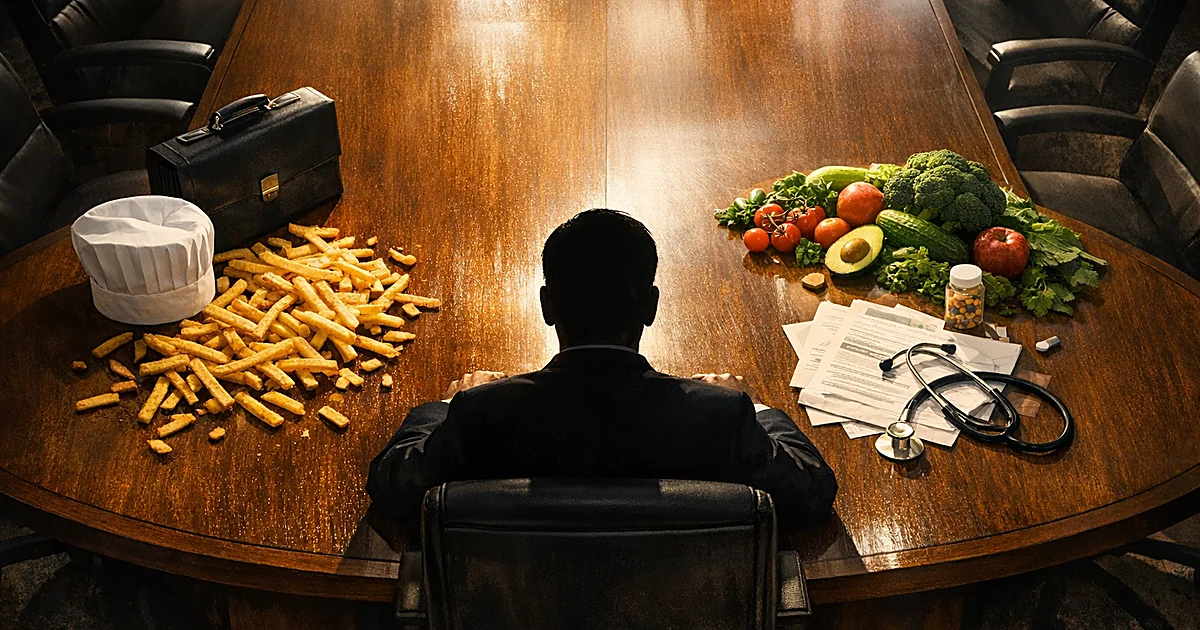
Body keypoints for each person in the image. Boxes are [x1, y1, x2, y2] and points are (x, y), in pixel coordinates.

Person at [367, 209, 837, 529]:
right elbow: (810, 492)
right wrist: (755, 406)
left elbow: (393, 485)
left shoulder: (480, 413)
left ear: (547, 306)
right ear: (651, 307)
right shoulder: (721, 416)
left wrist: (449, 404)